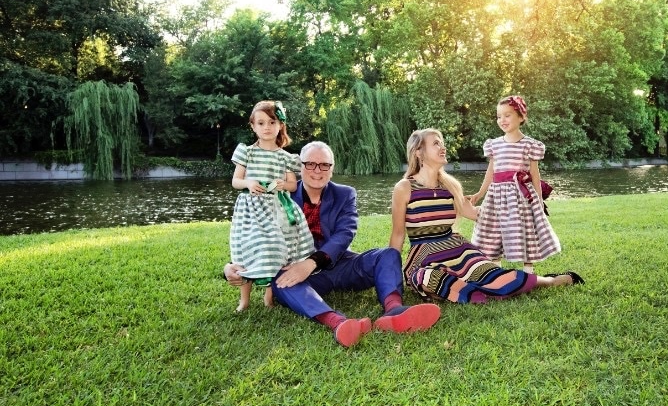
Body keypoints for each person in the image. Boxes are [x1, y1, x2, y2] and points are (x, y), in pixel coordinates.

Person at [225, 140, 441, 347]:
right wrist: (231, 268)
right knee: (280, 281)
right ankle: (338, 323)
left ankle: (394, 311)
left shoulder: (345, 194)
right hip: (299, 275)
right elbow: (255, 234)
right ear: (299, 166)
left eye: (324, 165)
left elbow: (345, 234)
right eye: (310, 164)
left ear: (332, 168)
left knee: (388, 255)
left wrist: (310, 263)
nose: (317, 170)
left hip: (339, 264)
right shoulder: (278, 196)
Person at [389, 128, 583, 304]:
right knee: (425, 278)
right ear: (418, 152)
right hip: (424, 257)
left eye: (442, 142)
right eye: (436, 143)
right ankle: (477, 287)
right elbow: (398, 234)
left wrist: (522, 206)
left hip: (458, 252)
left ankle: (550, 281)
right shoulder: (404, 188)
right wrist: (391, 274)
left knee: (495, 275)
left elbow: (478, 215)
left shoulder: (450, 187)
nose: (443, 147)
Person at [228, 100, 315, 313]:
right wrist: (248, 183)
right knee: (250, 249)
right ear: (253, 126)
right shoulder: (247, 152)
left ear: (280, 125)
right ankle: (244, 299)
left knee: (276, 249)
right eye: (261, 122)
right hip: (251, 210)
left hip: (277, 209)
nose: (266, 127)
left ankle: (269, 297)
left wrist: (280, 185)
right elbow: (235, 181)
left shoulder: (286, 157)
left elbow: (293, 185)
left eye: (272, 121)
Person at [468, 95, 562, 273]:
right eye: (499, 116)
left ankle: (528, 269)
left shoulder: (529, 145)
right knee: (493, 228)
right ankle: (495, 268)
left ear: (521, 117)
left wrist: (539, 200)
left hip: (520, 195)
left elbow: (534, 174)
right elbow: (491, 171)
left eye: (507, 115)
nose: (502, 120)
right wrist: (480, 194)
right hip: (497, 195)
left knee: (524, 228)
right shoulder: (494, 145)